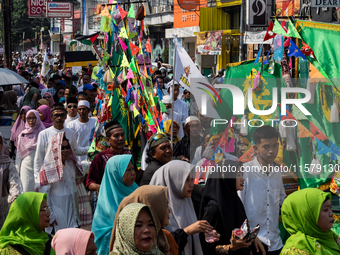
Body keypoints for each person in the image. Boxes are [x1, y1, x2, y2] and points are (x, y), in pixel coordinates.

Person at [238, 126, 286, 255]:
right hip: (254, 243)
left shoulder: (277, 172)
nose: (272, 151)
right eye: (266, 147)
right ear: (256, 148)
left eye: (275, 146)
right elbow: (238, 207)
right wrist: (250, 236)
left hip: (276, 242)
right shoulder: (244, 171)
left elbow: (282, 201)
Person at [199, 160, 264, 255]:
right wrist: (231, 247)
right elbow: (207, 248)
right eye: (238, 175)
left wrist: (251, 237)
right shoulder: (214, 209)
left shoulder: (234, 200)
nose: (243, 179)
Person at [150, 161, 214, 255]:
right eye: (186, 180)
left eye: (192, 179)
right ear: (172, 181)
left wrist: (206, 234)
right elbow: (162, 246)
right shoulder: (157, 211)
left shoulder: (187, 202)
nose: (192, 184)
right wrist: (186, 231)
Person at [36, 132, 92, 233]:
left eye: (67, 147)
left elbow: (83, 167)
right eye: (62, 148)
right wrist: (50, 216)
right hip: (57, 214)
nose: (65, 150)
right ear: (55, 149)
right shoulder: (49, 168)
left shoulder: (70, 164)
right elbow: (44, 194)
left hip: (73, 209)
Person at [92, 155, 138, 255]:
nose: (133, 173)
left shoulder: (136, 190)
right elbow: (101, 234)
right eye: (128, 170)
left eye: (133, 169)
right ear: (116, 174)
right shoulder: (107, 201)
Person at [34, 103, 89, 180]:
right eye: (56, 115)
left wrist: (91, 149)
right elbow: (39, 157)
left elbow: (75, 150)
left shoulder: (70, 132)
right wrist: (37, 177)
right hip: (50, 172)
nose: (59, 118)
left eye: (62, 115)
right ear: (51, 117)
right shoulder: (44, 134)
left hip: (67, 172)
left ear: (65, 117)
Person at [109, 186, 171, 254]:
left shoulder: (158, 250)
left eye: (151, 224)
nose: (146, 230)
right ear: (125, 230)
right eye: (138, 225)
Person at [281, 188, 340, 255]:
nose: (331, 214)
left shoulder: (330, 235)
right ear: (306, 215)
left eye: (330, 208)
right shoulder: (296, 251)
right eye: (326, 209)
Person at [86, 120, 137, 192]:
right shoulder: (100, 157)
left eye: (122, 135)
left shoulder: (129, 154)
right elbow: (90, 183)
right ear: (108, 140)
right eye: (116, 136)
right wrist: (107, 189)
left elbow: (135, 177)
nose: (121, 138)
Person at [16, 110, 45, 193]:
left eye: (33, 118)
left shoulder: (43, 133)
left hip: (40, 167)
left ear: (38, 119)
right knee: (26, 190)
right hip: (26, 168)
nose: (31, 120)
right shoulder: (22, 135)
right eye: (29, 118)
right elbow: (18, 155)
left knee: (40, 192)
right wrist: (17, 171)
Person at [0, 132, 22, 229]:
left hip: (3, 204)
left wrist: (14, 199)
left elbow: (15, 183)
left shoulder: (8, 163)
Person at [67, 100, 96, 171]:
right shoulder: (71, 124)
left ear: (88, 110)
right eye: (79, 109)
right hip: (77, 156)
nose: (82, 111)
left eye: (84, 109)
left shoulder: (94, 122)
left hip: (92, 154)